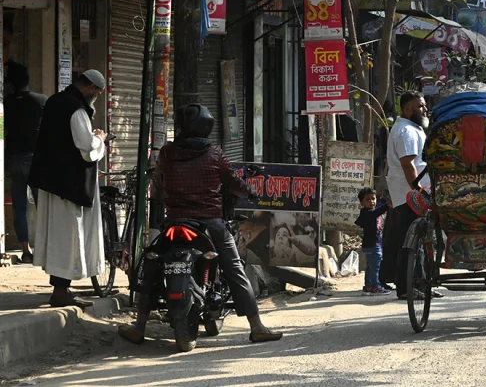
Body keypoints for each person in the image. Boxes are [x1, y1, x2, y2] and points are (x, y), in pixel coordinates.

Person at [117, 104, 282, 344]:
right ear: (207, 127)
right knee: (234, 268)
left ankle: (139, 327)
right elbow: (234, 183)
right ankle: (256, 326)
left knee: (152, 262)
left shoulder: (166, 152)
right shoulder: (214, 153)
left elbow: (158, 185)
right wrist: (251, 192)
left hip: (174, 221)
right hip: (210, 222)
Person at [26, 70, 107, 308]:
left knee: (57, 237)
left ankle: (61, 289)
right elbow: (85, 146)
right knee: (68, 237)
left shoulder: (55, 101)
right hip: (68, 185)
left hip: (51, 181)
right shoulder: (76, 110)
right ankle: (61, 291)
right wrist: (100, 139)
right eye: (98, 93)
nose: (97, 97)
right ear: (92, 88)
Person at [381, 92, 441, 299]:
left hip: (411, 194)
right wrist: (417, 191)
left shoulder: (412, 129)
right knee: (410, 241)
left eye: (424, 106)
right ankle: (407, 288)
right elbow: (408, 165)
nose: (424, 110)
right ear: (407, 109)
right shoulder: (406, 131)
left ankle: (422, 284)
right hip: (410, 196)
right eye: (420, 106)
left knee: (420, 240)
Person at [4, 62, 46, 264]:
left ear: (11, 83)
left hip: (13, 159)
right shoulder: (40, 101)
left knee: (19, 206)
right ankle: (45, 249)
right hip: (34, 159)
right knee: (42, 205)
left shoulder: (7, 103)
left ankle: (25, 250)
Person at [355, 187, 391, 294]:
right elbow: (378, 211)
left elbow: (377, 208)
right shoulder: (367, 213)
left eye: (373, 199)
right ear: (362, 202)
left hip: (372, 245)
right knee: (375, 268)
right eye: (367, 199)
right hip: (372, 245)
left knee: (370, 267)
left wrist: (385, 201)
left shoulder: (370, 211)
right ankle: (376, 286)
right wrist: (387, 205)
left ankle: (369, 286)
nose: (371, 201)